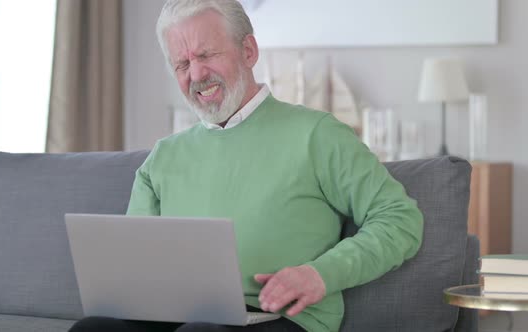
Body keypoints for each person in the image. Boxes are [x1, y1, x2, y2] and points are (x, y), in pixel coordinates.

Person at [69, 0, 423, 331]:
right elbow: (135, 263)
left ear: (248, 51)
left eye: (206, 54)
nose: (196, 74)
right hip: (179, 316)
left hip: (279, 319)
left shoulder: (317, 134)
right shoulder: (163, 158)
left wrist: (320, 274)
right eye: (182, 64)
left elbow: (399, 219)